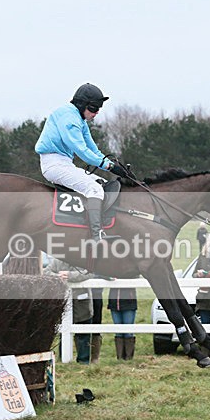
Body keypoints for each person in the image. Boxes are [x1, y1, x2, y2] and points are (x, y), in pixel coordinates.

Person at [34, 83, 129, 242]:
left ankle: (96, 225)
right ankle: (96, 236)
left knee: (104, 183)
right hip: (54, 164)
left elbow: (93, 149)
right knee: (95, 190)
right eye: (93, 108)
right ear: (81, 104)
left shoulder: (80, 120)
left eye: (99, 109)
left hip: (64, 163)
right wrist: (108, 166)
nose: (96, 112)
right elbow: (83, 152)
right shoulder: (69, 119)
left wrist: (112, 164)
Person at [43, 257, 97, 364]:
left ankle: (83, 361)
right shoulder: (57, 261)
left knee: (83, 333)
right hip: (64, 302)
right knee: (64, 333)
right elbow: (46, 272)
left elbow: (90, 273)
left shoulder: (83, 259)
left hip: (82, 302)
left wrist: (69, 275)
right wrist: (58, 276)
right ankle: (64, 359)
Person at [107, 286, 137, 360]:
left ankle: (128, 358)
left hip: (129, 302)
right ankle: (120, 358)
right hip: (114, 303)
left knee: (128, 332)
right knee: (118, 332)